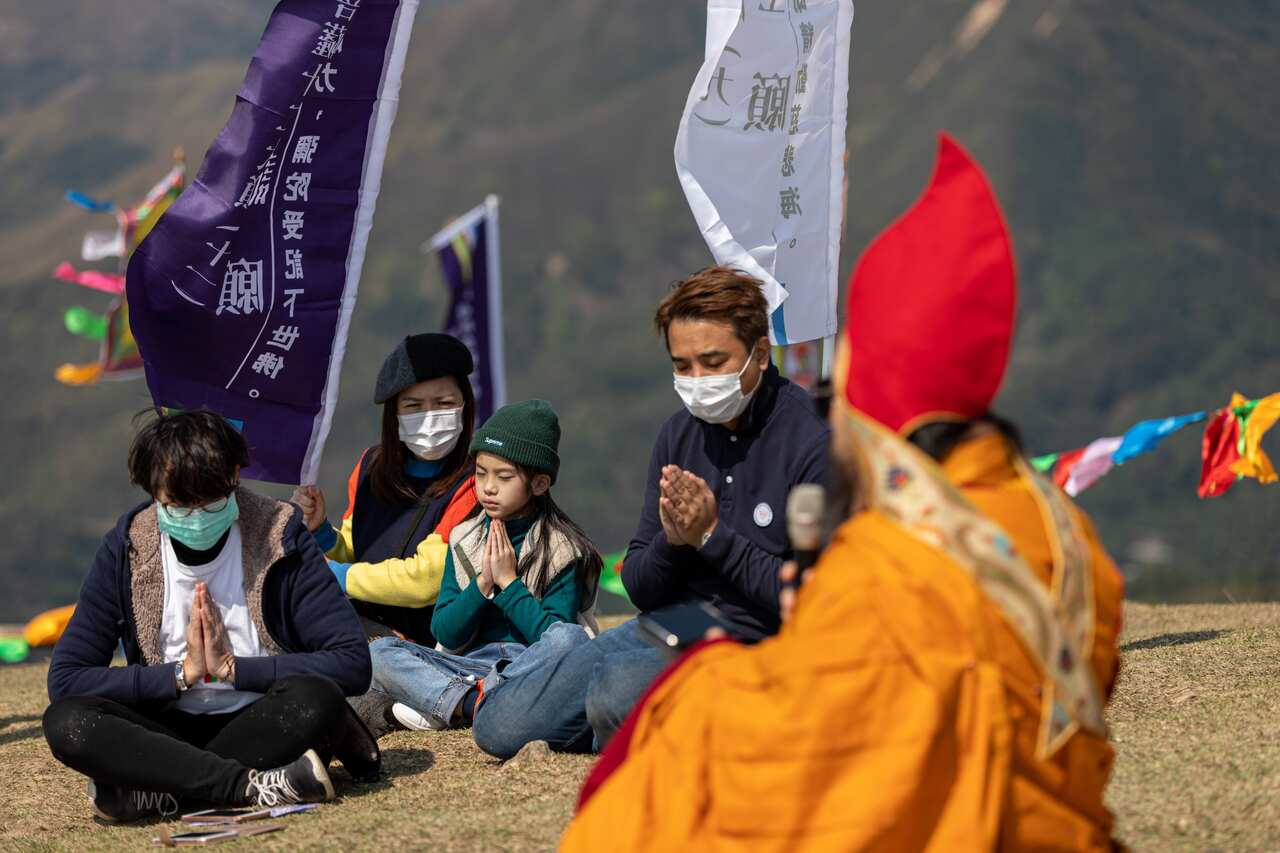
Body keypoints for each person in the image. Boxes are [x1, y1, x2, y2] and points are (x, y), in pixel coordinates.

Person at [561, 135, 1125, 850]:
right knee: (582, 669)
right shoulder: (1066, 529)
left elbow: (818, 740)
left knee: (643, 731)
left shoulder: (889, 556)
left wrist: (703, 674)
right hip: (1059, 828)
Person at [471, 266, 829, 760]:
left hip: (760, 643)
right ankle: (616, 718)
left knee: (616, 690)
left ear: (760, 355)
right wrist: (673, 540)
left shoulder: (812, 438)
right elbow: (638, 584)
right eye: (682, 366)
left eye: (713, 361)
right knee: (500, 726)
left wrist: (711, 536)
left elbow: (815, 601)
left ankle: (624, 717)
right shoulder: (678, 435)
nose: (697, 380)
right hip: (671, 626)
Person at [42, 410, 377, 824]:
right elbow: (67, 678)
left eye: (211, 501)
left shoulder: (279, 534)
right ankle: (248, 788)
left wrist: (235, 671)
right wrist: (179, 675)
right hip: (166, 728)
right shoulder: (128, 548)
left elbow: (352, 661)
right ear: (152, 492)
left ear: (235, 476)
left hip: (261, 718)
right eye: (179, 505)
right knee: (67, 721)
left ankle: (162, 792)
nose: (197, 516)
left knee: (316, 699)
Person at [366, 400, 603, 733]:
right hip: (469, 667)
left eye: (504, 477)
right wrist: (482, 585)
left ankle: (444, 703)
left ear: (539, 484)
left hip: (529, 666)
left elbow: (555, 638)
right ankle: (470, 703)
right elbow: (445, 632)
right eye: (480, 473)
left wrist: (509, 584)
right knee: (380, 653)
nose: (488, 487)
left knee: (569, 640)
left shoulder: (562, 548)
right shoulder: (464, 538)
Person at [292, 333, 479, 644]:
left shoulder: (474, 483)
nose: (430, 416)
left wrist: (341, 578)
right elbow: (354, 553)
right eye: (414, 405)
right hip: (362, 628)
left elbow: (428, 578)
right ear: (395, 413)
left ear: (465, 405)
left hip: (428, 649)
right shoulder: (370, 467)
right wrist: (322, 533)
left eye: (443, 403)